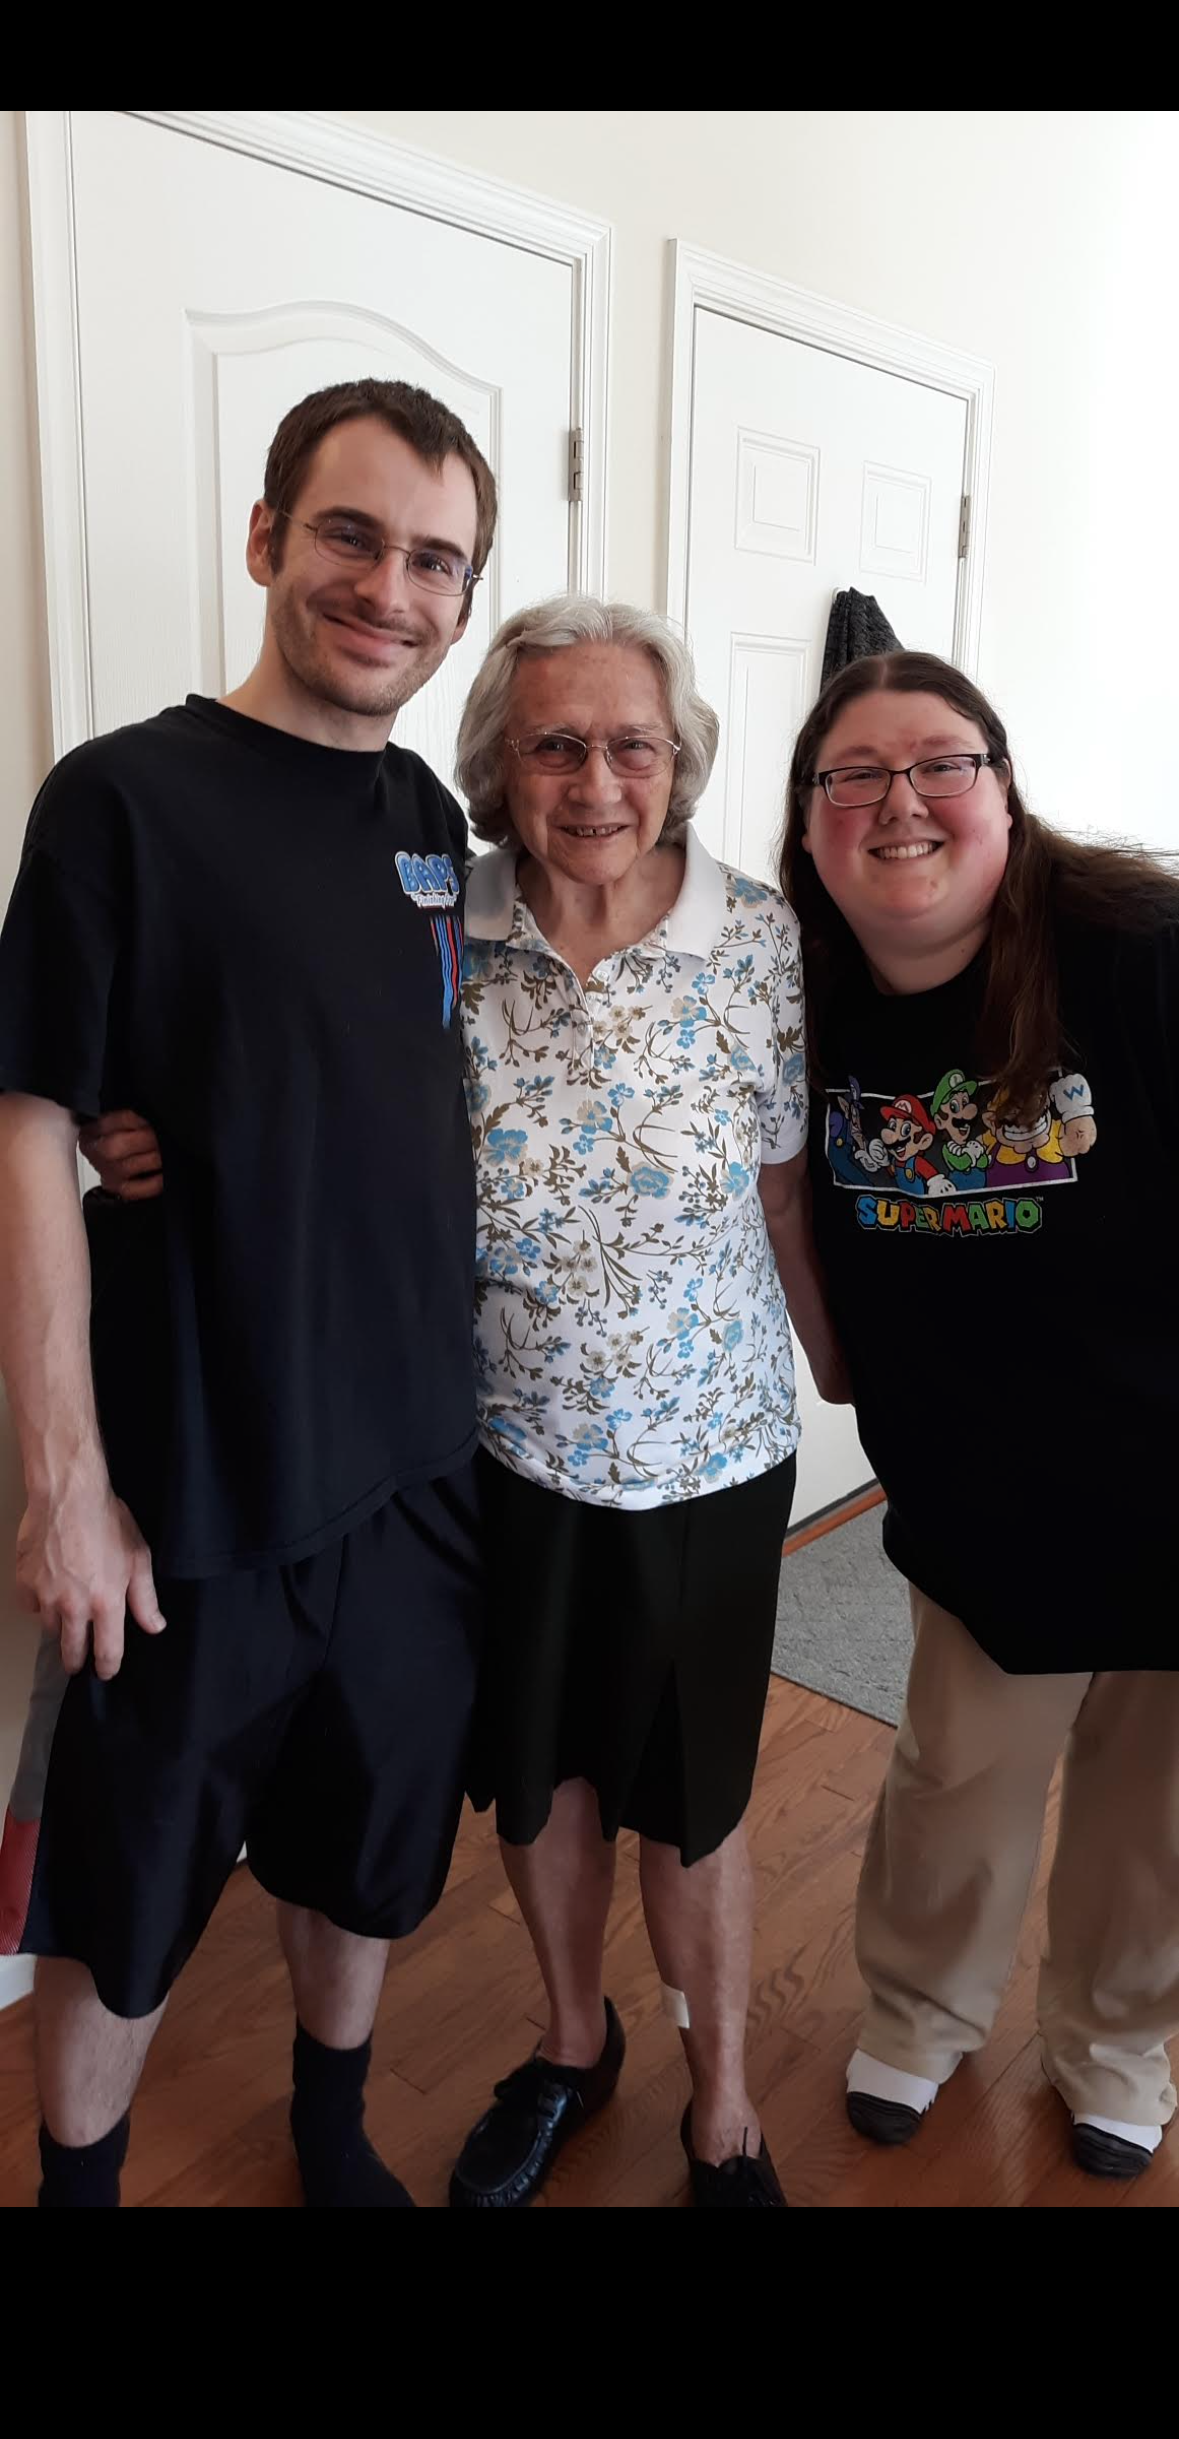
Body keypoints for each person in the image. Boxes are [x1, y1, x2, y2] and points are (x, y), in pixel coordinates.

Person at [89, 597, 850, 2210]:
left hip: (706, 1447)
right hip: (488, 1445)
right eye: (551, 744)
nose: (593, 781)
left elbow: (786, 1190)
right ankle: (573, 2047)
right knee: (542, 1778)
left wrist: (852, 1381)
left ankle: (723, 2099)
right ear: (497, 768)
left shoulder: (758, 935)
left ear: (680, 761)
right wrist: (129, 1127)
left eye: (629, 744)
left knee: (694, 1798)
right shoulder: (438, 909)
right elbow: (299, 1074)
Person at [0, 377, 498, 2209]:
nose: (391, 587)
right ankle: (73, 2185)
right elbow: (31, 1125)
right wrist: (67, 1486)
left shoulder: (433, 816)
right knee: (127, 1883)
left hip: (417, 1472)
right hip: (195, 1481)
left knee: (368, 1849)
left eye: (435, 558)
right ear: (269, 537)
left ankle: (332, 2121)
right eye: (354, 535)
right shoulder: (122, 796)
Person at [780, 648, 1179, 2180]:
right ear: (809, 820)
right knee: (957, 1775)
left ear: (1004, 791)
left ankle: (1117, 2041)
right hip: (977, 1486)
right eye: (852, 774)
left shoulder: (1133, 952)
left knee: (1152, 1804)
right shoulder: (795, 984)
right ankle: (922, 2009)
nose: (899, 802)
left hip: (1167, 1475)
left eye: (940, 762)